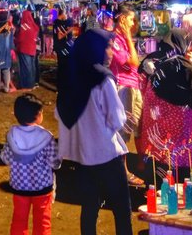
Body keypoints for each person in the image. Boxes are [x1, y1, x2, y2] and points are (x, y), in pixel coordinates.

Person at [56, 29, 132, 235]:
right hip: (106, 153)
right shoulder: (103, 80)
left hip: (81, 156)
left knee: (89, 207)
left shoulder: (69, 77)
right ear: (95, 49)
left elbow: (60, 114)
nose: (111, 52)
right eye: (108, 47)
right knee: (122, 209)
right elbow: (117, 119)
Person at [136, 29, 192, 184]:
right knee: (181, 164)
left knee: (157, 159)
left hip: (154, 125)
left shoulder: (151, 60)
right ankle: (180, 193)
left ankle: (154, 191)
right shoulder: (189, 68)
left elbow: (141, 83)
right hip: (181, 128)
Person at [1, 93, 60, 235]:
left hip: (19, 187)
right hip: (42, 188)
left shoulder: (12, 135)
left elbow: (5, 159)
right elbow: (55, 162)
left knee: (19, 220)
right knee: (43, 222)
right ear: (39, 114)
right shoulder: (47, 137)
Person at [108, 3, 144, 186]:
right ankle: (122, 172)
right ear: (122, 19)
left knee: (131, 130)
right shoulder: (115, 39)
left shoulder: (121, 39)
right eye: (130, 19)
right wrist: (129, 37)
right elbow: (134, 62)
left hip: (132, 86)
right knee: (122, 131)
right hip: (123, 87)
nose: (133, 23)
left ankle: (124, 167)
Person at [14, 10, 39, 91]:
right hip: (32, 48)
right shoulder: (33, 25)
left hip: (24, 49)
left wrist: (15, 40)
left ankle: (26, 85)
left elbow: (21, 38)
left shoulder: (24, 26)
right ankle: (31, 84)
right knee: (32, 67)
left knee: (26, 68)